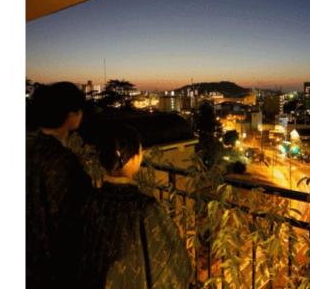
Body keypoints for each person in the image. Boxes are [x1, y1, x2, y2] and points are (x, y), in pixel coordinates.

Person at [79, 123, 192, 289]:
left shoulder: (88, 200)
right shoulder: (147, 209)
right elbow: (174, 265)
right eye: (140, 151)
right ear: (134, 159)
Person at [26, 82, 93, 288]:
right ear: (71, 115)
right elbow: (72, 219)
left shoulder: (28, 145)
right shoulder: (62, 162)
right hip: (52, 266)